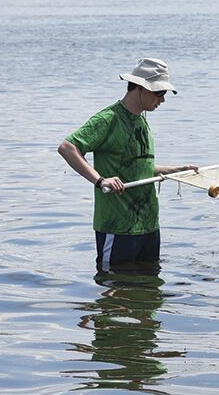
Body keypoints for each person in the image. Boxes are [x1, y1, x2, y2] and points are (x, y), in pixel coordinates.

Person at [57, 58, 197, 271]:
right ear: (141, 88)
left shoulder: (142, 120)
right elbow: (68, 148)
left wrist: (175, 170)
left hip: (149, 225)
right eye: (159, 93)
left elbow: (138, 166)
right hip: (118, 226)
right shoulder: (108, 119)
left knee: (149, 291)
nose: (162, 100)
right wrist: (100, 180)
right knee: (114, 289)